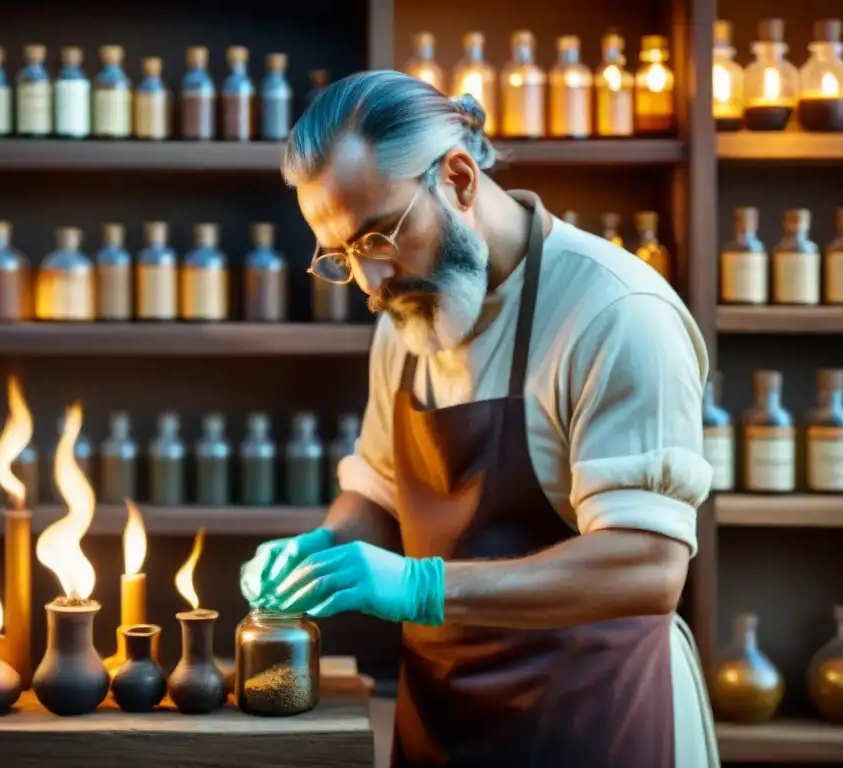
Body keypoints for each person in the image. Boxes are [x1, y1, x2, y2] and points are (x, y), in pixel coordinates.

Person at [240, 70, 719, 768]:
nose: (371, 286)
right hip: (445, 721)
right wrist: (322, 551)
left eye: (377, 238)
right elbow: (377, 489)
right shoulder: (409, 316)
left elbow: (646, 567)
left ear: (459, 179)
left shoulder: (617, 313)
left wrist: (419, 586)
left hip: (594, 719)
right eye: (343, 257)